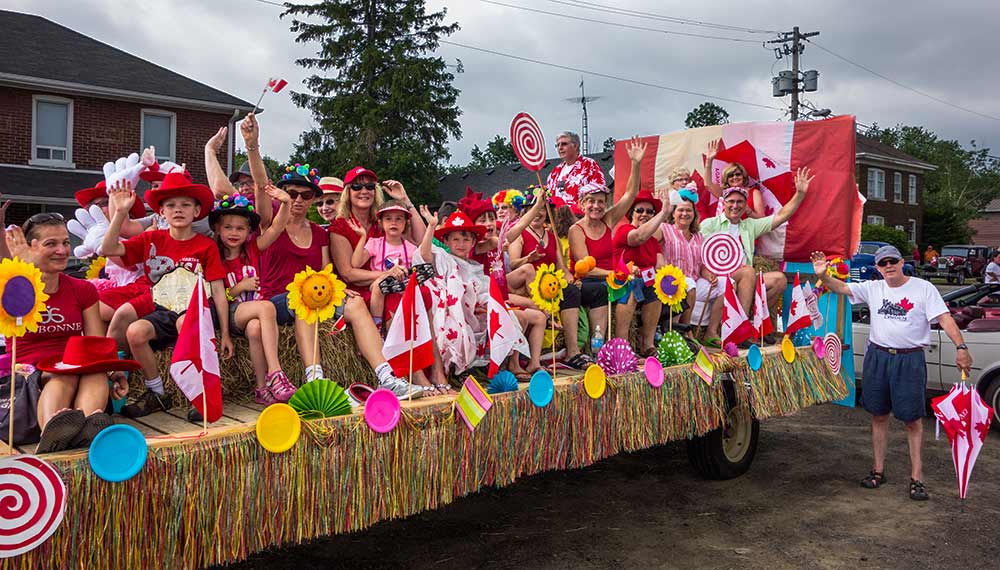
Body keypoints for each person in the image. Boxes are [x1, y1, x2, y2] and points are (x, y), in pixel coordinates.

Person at [812, 245, 973, 501]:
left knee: (912, 420)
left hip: (909, 359)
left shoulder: (923, 288)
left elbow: (944, 318)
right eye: (883, 263)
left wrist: (961, 347)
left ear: (901, 262)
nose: (888, 266)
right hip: (878, 357)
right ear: (877, 267)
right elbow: (841, 288)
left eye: (892, 261)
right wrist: (822, 275)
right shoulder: (873, 288)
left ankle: (917, 477)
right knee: (878, 415)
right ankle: (878, 470)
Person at [101, 172, 232, 418]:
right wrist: (119, 213)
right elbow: (107, 248)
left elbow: (217, 290)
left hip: (196, 309)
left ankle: (201, 394)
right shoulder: (151, 239)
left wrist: (224, 332)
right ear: (161, 212)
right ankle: (157, 392)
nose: (178, 210)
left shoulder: (205, 245)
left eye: (185, 204)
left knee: (185, 323)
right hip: (162, 307)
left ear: (197, 211)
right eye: (170, 205)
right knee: (135, 331)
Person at [3, 218, 136, 453]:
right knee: (63, 375)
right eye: (51, 244)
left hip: (74, 363)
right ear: (30, 247)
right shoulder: (12, 286)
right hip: (30, 371)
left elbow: (95, 344)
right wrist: (22, 275)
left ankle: (83, 430)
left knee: (93, 372)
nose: (62, 250)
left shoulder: (82, 289)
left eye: (65, 242)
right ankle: (51, 433)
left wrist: (112, 371)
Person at [699, 168, 814, 342]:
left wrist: (800, 194)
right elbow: (699, 254)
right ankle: (739, 329)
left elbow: (780, 217)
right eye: (731, 201)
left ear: (745, 205)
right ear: (724, 203)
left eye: (740, 202)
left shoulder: (749, 226)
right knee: (748, 271)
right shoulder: (710, 224)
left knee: (779, 280)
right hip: (720, 275)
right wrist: (707, 273)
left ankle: (755, 322)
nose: (735, 206)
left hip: (746, 277)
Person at [210, 189, 297, 404]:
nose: (234, 233)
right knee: (266, 306)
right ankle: (276, 372)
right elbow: (218, 297)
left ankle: (261, 388)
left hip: (253, 312)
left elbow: (276, 227)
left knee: (255, 328)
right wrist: (240, 287)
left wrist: (286, 203)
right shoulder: (214, 256)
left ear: (249, 231)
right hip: (231, 312)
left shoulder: (252, 249)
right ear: (217, 228)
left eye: (240, 228)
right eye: (228, 227)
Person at [567, 136, 645, 366]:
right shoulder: (576, 229)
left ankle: (621, 345)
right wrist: (616, 274)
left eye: (601, 201)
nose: (596, 206)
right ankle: (598, 348)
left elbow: (630, 194)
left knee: (634, 286)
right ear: (582, 204)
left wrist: (636, 163)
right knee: (611, 287)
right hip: (587, 282)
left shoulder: (608, 220)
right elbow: (585, 268)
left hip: (610, 279)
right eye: (591, 201)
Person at [612, 189, 671, 355]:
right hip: (621, 277)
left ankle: (648, 344)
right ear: (632, 213)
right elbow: (638, 237)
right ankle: (622, 344)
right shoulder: (624, 229)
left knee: (657, 288)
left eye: (650, 211)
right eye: (640, 210)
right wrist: (664, 213)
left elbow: (660, 265)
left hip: (646, 280)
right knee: (632, 284)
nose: (644, 214)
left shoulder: (653, 242)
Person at [660, 187, 722, 328]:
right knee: (690, 284)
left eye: (688, 210)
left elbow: (701, 265)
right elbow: (647, 237)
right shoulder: (664, 229)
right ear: (673, 213)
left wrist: (709, 275)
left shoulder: (699, 236)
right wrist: (663, 211)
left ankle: (711, 331)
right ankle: (686, 329)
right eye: (680, 210)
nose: (684, 213)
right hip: (672, 282)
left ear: (694, 214)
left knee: (726, 284)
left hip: (695, 280)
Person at [703, 140, 766, 218]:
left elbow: (762, 218)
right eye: (730, 175)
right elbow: (708, 184)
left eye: (738, 174)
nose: (735, 177)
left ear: (743, 176)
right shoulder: (724, 193)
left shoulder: (754, 193)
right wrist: (709, 161)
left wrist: (747, 211)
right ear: (726, 179)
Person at [546, 131, 606, 206]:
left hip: (580, 212)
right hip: (557, 213)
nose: (560, 148)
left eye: (564, 144)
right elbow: (549, 198)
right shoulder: (555, 172)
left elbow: (599, 192)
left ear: (575, 146)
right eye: (557, 145)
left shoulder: (590, 165)